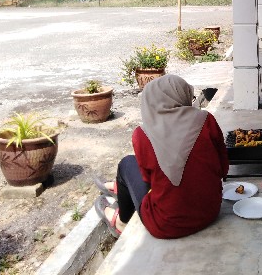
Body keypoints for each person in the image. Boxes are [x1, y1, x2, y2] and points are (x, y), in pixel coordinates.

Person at [93, 74, 229, 239]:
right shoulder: (206, 120)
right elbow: (224, 168)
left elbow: (147, 180)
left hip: (165, 224)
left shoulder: (142, 134)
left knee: (127, 164)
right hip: (210, 212)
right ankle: (120, 187)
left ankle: (121, 221)